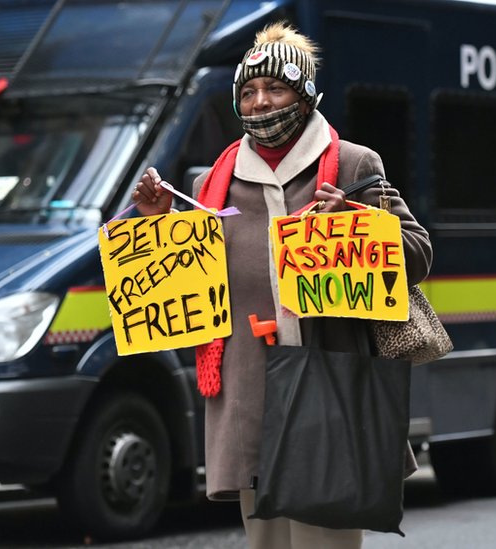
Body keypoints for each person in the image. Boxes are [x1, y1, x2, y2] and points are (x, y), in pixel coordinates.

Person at [133, 22, 432, 549]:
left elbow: (418, 253)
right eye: (248, 92)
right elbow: (188, 292)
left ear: (304, 94)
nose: (260, 102)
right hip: (248, 393)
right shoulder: (210, 184)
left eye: (274, 88)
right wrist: (161, 224)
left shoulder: (353, 163)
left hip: (329, 385)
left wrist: (358, 221)